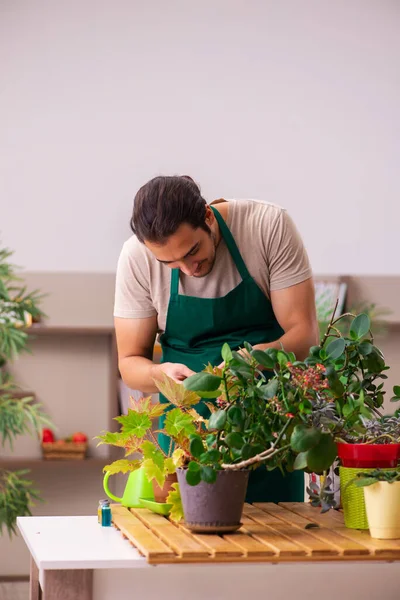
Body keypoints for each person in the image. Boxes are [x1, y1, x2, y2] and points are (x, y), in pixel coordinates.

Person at [114, 175, 319, 502]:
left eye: (192, 251)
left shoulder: (266, 226)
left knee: (277, 539)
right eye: (170, 263)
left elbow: (304, 336)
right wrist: (159, 375)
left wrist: (248, 362)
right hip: (187, 436)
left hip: (267, 427)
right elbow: (129, 362)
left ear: (208, 216)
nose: (188, 269)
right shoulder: (136, 258)